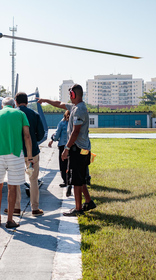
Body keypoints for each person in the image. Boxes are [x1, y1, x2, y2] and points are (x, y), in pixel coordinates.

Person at [38, 84, 96, 216]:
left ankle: (78, 208)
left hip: (78, 150)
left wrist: (66, 148)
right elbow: (59, 103)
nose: (69, 97)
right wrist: (45, 100)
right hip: (81, 149)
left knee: (76, 180)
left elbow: (75, 132)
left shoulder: (79, 110)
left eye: (70, 94)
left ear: (74, 95)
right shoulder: (75, 107)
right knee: (80, 178)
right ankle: (88, 201)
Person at [0, 97, 34, 228]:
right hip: (15, 154)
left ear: (2, 106)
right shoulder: (20, 114)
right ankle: (10, 220)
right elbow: (27, 136)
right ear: (13, 106)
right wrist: (29, 157)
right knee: (12, 187)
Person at [9, 92, 46, 217]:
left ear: (16, 101)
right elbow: (41, 134)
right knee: (33, 180)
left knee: (16, 179)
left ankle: (16, 207)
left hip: (16, 152)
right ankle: (35, 209)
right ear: (27, 101)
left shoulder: (13, 114)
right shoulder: (34, 114)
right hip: (32, 152)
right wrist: (33, 140)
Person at [48, 110, 70, 187]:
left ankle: (65, 181)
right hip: (73, 146)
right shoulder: (75, 122)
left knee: (63, 164)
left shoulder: (62, 123)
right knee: (71, 164)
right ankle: (71, 180)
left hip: (63, 146)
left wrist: (52, 139)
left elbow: (57, 135)